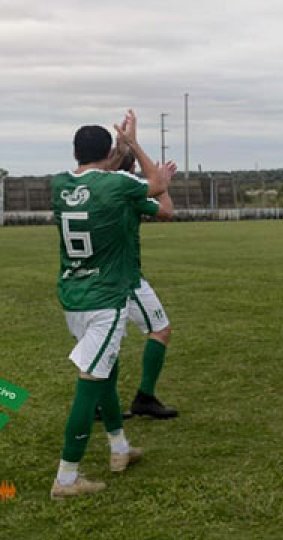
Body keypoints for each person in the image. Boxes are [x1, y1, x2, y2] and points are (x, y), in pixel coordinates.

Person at [50, 110, 173, 498]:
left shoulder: (59, 184)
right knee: (90, 384)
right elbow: (156, 185)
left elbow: (99, 180)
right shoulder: (117, 184)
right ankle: (66, 478)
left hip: (74, 295)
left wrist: (117, 149)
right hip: (106, 298)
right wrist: (133, 143)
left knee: (106, 373)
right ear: (108, 153)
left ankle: (119, 448)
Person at [115, 151, 179, 418]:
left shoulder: (86, 190)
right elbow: (166, 212)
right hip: (125, 278)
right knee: (160, 330)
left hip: (87, 280)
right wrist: (161, 186)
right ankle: (145, 397)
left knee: (101, 342)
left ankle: (98, 400)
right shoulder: (128, 193)